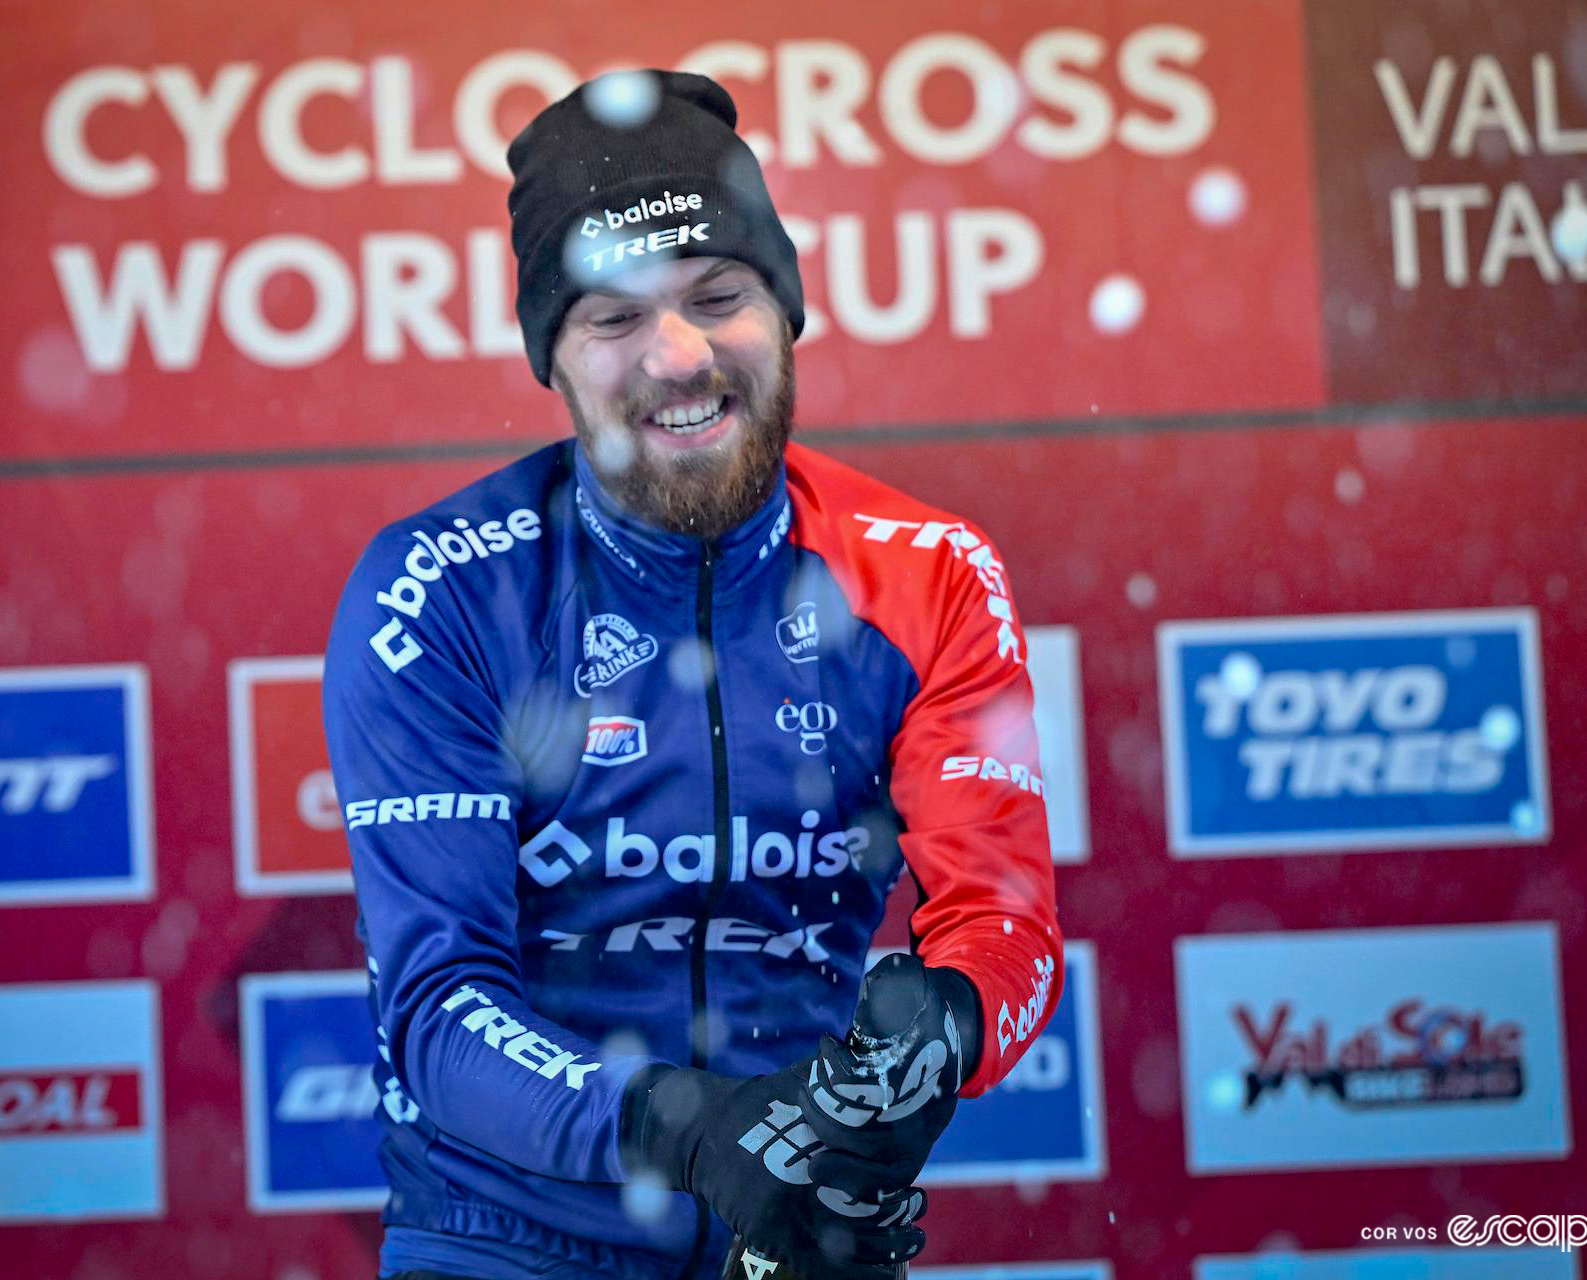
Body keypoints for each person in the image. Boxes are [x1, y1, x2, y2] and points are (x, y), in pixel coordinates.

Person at [322, 68, 1063, 1280]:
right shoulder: (440, 590)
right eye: (612, 318)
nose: (678, 356)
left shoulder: (929, 573)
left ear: (785, 313)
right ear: (552, 359)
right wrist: (691, 1128)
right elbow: (437, 1014)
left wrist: (946, 1028)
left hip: (805, 1228)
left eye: (719, 295)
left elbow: (1007, 923)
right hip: (506, 1237)